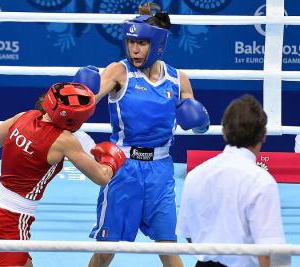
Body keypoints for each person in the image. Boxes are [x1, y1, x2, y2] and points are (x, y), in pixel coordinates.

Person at [0, 67, 126, 267]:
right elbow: (102, 177)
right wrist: (111, 158)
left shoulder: (24, 116)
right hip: (12, 219)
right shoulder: (64, 141)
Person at [87, 3, 210, 267]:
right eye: (131, 42)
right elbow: (90, 99)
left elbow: (200, 126)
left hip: (160, 172)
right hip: (123, 169)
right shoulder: (119, 71)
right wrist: (82, 93)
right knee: (106, 249)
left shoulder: (178, 80)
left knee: (167, 247)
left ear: (158, 44)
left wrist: (199, 120)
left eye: (141, 43)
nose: (134, 49)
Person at [176, 94, 285, 267]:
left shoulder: (195, 175)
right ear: (263, 135)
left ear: (224, 132)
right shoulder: (262, 182)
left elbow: (188, 233)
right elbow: (271, 252)